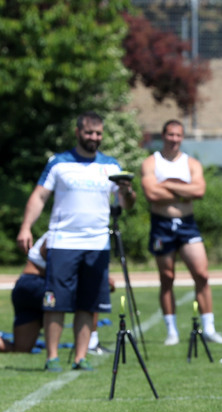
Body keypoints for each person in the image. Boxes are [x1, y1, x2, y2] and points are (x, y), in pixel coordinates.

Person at [16, 111, 136, 371]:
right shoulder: (59, 163)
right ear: (78, 132)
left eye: (98, 133)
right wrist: (26, 227)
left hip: (97, 244)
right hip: (63, 243)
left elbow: (125, 204)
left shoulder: (111, 166)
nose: (94, 137)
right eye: (89, 132)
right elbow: (39, 197)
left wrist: (127, 191)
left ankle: (81, 357)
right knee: (55, 302)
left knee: (88, 303)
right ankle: (52, 357)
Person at [141, 119, 222, 345]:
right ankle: (172, 331)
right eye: (170, 135)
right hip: (161, 224)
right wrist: (183, 190)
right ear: (163, 135)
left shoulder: (191, 163)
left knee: (202, 274)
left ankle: (209, 329)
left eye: (178, 135)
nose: (174, 139)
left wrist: (167, 184)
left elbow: (199, 190)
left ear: (182, 137)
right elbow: (151, 194)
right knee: (167, 277)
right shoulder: (151, 162)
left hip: (187, 224)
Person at [2, 235, 48, 353]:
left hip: (25, 286)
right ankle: (92, 342)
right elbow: (47, 251)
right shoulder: (65, 231)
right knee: (89, 299)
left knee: (21, 349)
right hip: (40, 287)